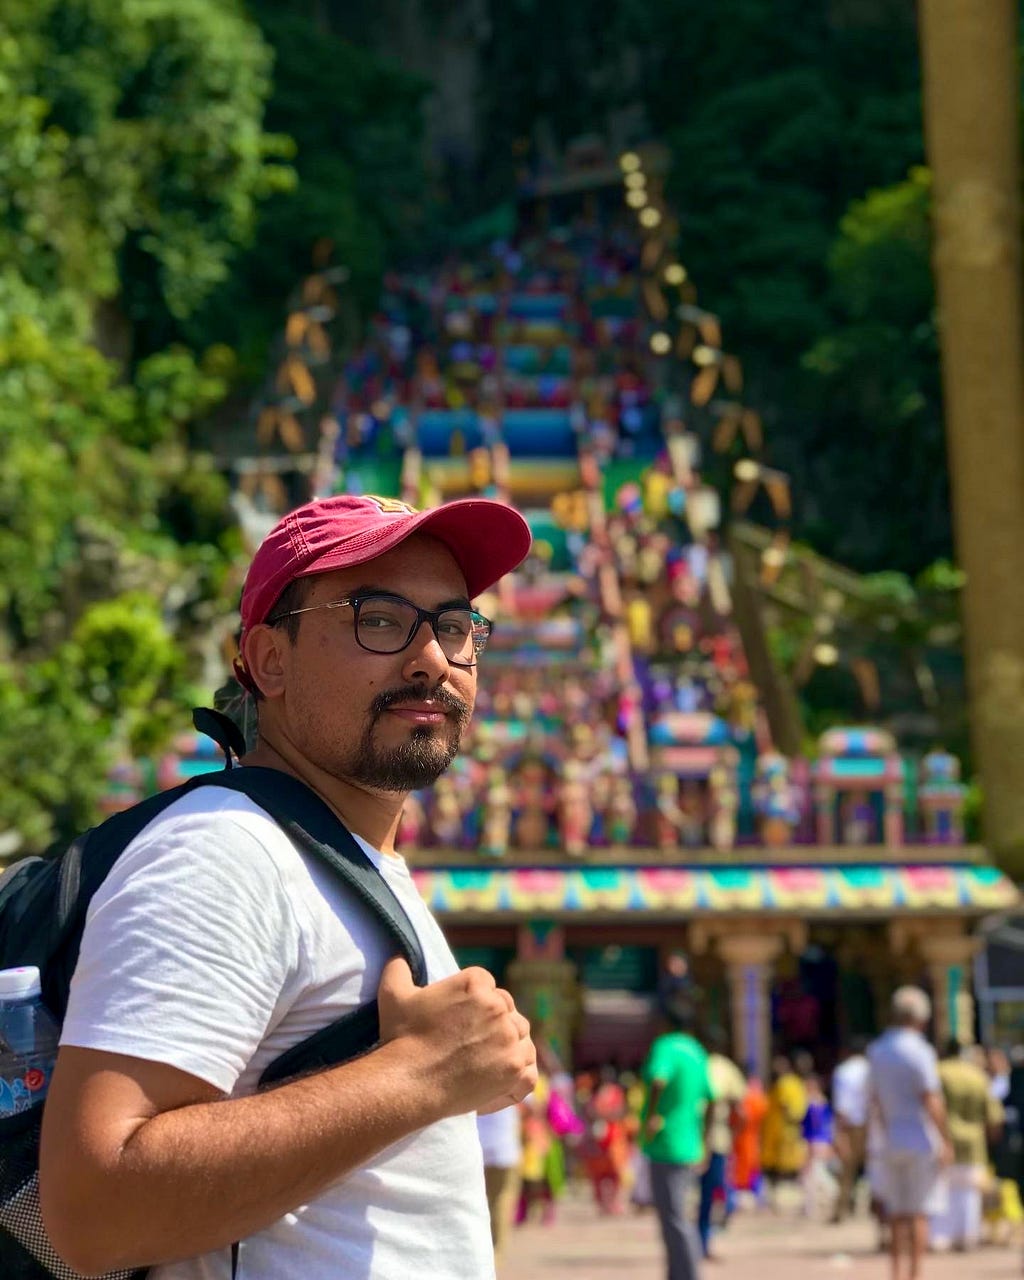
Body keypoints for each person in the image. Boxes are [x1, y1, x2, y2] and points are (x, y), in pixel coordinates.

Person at [39, 493, 539, 1279]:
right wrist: (423, 1074)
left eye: (453, 626)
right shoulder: (226, 853)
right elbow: (93, 1210)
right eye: (379, 618)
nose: (432, 658)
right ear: (269, 660)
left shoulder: (337, 859)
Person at [868, 986, 954, 1280]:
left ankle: (895, 1273)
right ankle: (915, 1274)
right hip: (920, 1139)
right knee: (919, 1213)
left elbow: (875, 1100)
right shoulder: (920, 1050)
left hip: (891, 1137)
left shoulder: (877, 1050)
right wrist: (945, 1139)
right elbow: (931, 1099)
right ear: (922, 1019)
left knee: (896, 1213)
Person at [640, 1003, 714, 1280]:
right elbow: (711, 1099)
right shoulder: (697, 1052)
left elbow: (659, 1079)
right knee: (677, 1217)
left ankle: (689, 1274)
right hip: (689, 1144)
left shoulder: (666, 1046)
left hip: (666, 1144)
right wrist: (705, 1141)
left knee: (675, 1219)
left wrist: (652, 1117)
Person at [929, 1039, 1003, 1253]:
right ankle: (967, 1236)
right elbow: (993, 1115)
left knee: (942, 1190)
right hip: (973, 1141)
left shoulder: (937, 1072)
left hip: (942, 1138)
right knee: (969, 1192)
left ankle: (940, 1238)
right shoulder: (977, 1075)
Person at [699, 1030, 745, 1259]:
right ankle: (703, 1241)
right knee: (713, 1189)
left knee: (700, 1193)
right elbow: (741, 1111)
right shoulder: (727, 1069)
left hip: (691, 1139)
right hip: (718, 1138)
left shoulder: (697, 1064)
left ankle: (699, 1242)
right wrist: (733, 1134)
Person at [831, 1037, 871, 1222]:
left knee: (846, 1170)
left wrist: (839, 1133)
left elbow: (842, 1105)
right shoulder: (871, 1070)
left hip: (849, 1125)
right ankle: (876, 1213)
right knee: (875, 1169)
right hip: (870, 1125)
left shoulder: (843, 1071)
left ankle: (841, 1210)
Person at [761, 1054, 808, 1210]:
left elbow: (785, 1105)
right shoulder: (797, 1082)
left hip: (782, 1130)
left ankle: (781, 1200)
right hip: (790, 1129)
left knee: (782, 1166)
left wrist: (789, 1117)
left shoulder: (784, 1083)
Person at [477, 1105, 522, 1259]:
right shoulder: (511, 1081)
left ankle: (487, 1247)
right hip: (503, 1150)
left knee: (483, 1202)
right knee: (501, 1202)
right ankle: (496, 1250)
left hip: (479, 1147)